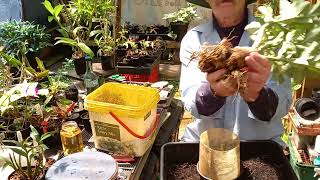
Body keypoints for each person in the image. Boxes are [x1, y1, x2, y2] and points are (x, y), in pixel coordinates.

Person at [179, 0, 292, 146]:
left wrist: (257, 96)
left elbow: (281, 107)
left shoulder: (273, 39)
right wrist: (214, 92)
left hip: (260, 148)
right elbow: (191, 104)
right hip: (206, 146)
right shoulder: (194, 39)